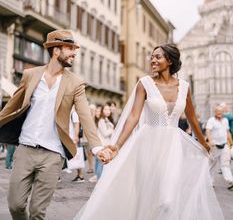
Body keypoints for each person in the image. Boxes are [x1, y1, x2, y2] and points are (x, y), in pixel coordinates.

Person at [74, 44, 224, 220]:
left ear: (169, 61)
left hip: (173, 147)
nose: (153, 60)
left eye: (158, 57)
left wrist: (204, 144)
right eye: (152, 57)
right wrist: (117, 146)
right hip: (147, 146)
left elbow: (193, 119)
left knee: (168, 200)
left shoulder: (184, 87)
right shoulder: (144, 84)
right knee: (146, 196)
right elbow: (133, 117)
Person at [0, 29, 112, 220]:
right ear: (56, 51)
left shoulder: (75, 83)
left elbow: (85, 115)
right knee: (16, 205)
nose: (74, 53)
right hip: (26, 149)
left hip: (53, 155)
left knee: (37, 212)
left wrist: (98, 147)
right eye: (70, 48)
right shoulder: (30, 75)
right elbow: (12, 106)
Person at [206, 105, 233, 190]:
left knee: (225, 164)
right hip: (215, 146)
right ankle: (209, 182)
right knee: (212, 164)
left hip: (224, 145)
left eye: (221, 112)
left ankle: (230, 181)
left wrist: (231, 142)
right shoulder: (211, 120)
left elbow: (227, 132)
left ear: (222, 113)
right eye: (218, 112)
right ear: (215, 112)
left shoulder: (225, 120)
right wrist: (210, 141)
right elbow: (208, 131)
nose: (219, 114)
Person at [95, 103, 115, 179]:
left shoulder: (107, 120)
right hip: (102, 145)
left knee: (104, 164)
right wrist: (111, 129)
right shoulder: (101, 121)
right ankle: (99, 180)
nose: (107, 111)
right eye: (105, 109)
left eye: (109, 109)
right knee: (101, 164)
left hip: (106, 145)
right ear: (102, 111)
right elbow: (105, 133)